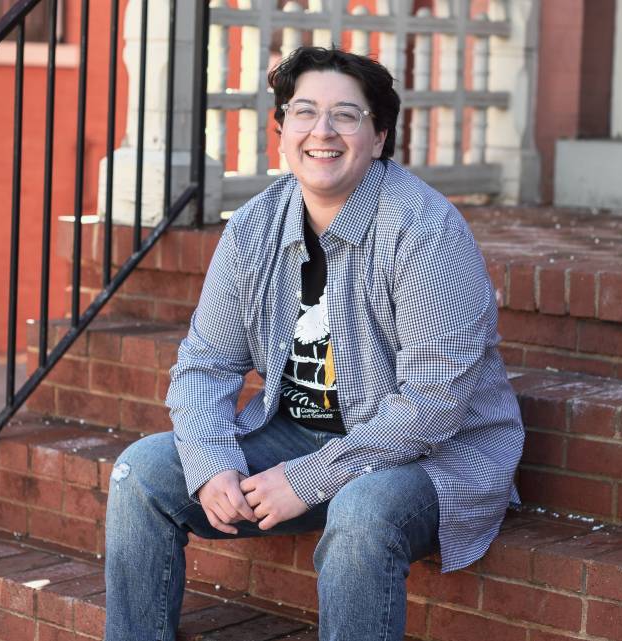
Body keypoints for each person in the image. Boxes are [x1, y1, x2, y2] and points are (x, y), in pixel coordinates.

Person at [104, 46, 523, 641]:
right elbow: (205, 365)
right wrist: (211, 463)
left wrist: (308, 480)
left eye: (346, 116)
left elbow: (433, 405)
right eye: (304, 112)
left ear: (378, 137)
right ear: (281, 132)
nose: (321, 132)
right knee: (141, 473)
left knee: (361, 512)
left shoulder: (424, 230)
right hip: (303, 435)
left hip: (435, 455)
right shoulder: (255, 226)